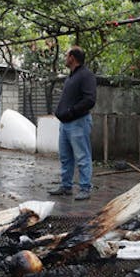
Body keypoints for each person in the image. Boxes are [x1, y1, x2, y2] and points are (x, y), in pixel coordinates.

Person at [48, 46, 96, 200]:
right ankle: (66, 186)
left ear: (72, 58)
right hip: (66, 124)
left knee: (82, 157)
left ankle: (85, 188)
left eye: (66, 55)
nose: (65, 58)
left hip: (78, 122)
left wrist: (70, 112)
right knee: (65, 157)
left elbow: (89, 100)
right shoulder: (71, 76)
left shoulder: (86, 75)